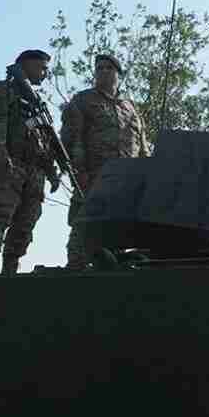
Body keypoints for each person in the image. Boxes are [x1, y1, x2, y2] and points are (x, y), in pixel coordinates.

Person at [60, 53, 149, 269]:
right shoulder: (83, 100)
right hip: (94, 174)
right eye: (99, 68)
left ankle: (112, 265)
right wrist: (79, 170)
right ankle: (76, 267)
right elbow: (72, 138)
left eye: (109, 68)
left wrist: (146, 173)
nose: (104, 71)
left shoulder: (129, 106)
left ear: (119, 75)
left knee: (119, 225)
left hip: (126, 178)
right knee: (85, 223)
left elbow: (142, 142)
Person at [0, 49, 60, 275]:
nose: (45, 73)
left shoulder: (35, 101)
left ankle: (10, 271)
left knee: (25, 225)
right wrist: (3, 160)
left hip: (35, 172)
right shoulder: (4, 90)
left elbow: (44, 139)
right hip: (11, 166)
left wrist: (51, 171)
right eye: (42, 68)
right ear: (27, 65)